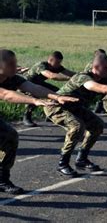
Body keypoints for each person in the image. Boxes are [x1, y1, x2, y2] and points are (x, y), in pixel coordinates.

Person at [0, 49, 78, 194]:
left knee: (10, 137)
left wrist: (56, 97)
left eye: (15, 62)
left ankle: (2, 180)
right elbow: (6, 95)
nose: (15, 66)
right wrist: (34, 101)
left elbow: (33, 87)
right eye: (11, 63)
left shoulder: (12, 78)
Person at [22, 51, 75, 127]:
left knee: (56, 92)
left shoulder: (56, 66)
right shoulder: (41, 65)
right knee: (34, 96)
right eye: (57, 62)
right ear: (50, 60)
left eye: (60, 62)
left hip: (38, 83)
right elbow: (51, 76)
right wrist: (69, 78)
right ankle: (26, 117)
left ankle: (51, 114)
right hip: (26, 84)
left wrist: (81, 75)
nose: (59, 65)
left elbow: (68, 72)